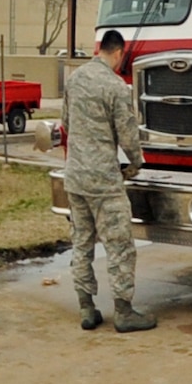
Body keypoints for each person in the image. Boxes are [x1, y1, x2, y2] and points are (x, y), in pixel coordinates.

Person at [63, 29, 153, 332]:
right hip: (103, 180)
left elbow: (66, 123)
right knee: (120, 245)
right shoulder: (115, 86)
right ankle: (125, 312)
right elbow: (128, 136)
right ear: (119, 53)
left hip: (75, 177)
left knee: (81, 243)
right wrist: (137, 163)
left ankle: (86, 308)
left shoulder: (74, 79)